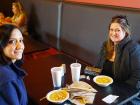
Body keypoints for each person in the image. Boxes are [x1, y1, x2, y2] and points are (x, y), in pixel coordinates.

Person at [95, 15, 140, 104]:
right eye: (111, 30)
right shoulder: (106, 45)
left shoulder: (134, 48)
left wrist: (117, 91)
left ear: (125, 32)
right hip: (103, 88)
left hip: (124, 94)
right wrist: (85, 76)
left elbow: (137, 77)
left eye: (117, 30)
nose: (113, 33)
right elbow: (97, 67)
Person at [0, 24, 28, 105]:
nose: (20, 46)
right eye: (12, 41)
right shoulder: (8, 79)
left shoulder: (8, 68)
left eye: (20, 40)